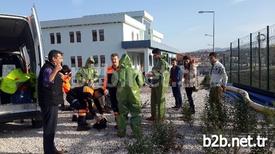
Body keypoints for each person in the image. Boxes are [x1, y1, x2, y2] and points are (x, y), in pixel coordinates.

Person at [38, 50, 64, 154]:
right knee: (49, 128)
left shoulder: (51, 68)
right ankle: (48, 151)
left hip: (52, 101)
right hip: (48, 102)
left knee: (52, 127)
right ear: (53, 59)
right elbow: (47, 82)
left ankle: (52, 149)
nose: (61, 60)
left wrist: (60, 74)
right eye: (60, 58)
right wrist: (56, 70)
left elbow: (53, 81)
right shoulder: (48, 68)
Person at [112, 54, 144, 138]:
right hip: (134, 96)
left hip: (121, 97)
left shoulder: (116, 72)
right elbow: (141, 83)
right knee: (136, 114)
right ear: (130, 62)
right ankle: (137, 134)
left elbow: (114, 84)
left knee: (122, 114)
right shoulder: (136, 71)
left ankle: (121, 133)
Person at [146, 48, 170, 122]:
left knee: (160, 101)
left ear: (159, 54)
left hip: (161, 85)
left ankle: (161, 118)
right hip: (154, 83)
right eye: (153, 55)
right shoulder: (156, 62)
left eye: (155, 55)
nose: (153, 56)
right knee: (153, 100)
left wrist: (152, 74)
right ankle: (153, 116)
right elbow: (154, 71)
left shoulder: (163, 63)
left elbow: (161, 73)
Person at [208, 52, 228, 126]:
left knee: (218, 104)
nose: (210, 60)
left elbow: (225, 76)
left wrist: (224, 85)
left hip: (217, 87)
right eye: (210, 58)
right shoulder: (213, 66)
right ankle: (213, 118)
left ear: (215, 58)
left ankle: (221, 121)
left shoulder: (219, 66)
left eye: (211, 58)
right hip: (212, 87)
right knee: (211, 103)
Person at [103, 53, 120, 128]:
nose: (114, 61)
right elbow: (106, 80)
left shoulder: (122, 68)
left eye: (115, 59)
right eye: (112, 59)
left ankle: (122, 121)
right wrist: (105, 88)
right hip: (112, 90)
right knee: (114, 106)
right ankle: (118, 123)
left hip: (121, 91)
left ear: (118, 59)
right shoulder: (109, 69)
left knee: (121, 106)